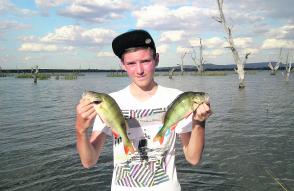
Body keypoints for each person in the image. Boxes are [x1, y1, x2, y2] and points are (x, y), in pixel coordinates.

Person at [75, 29, 212, 191]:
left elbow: (193, 158)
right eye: (131, 63)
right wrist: (80, 131)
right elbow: (89, 162)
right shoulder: (108, 102)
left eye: (145, 61)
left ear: (157, 59)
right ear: (123, 65)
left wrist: (199, 122)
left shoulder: (177, 98)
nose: (139, 70)